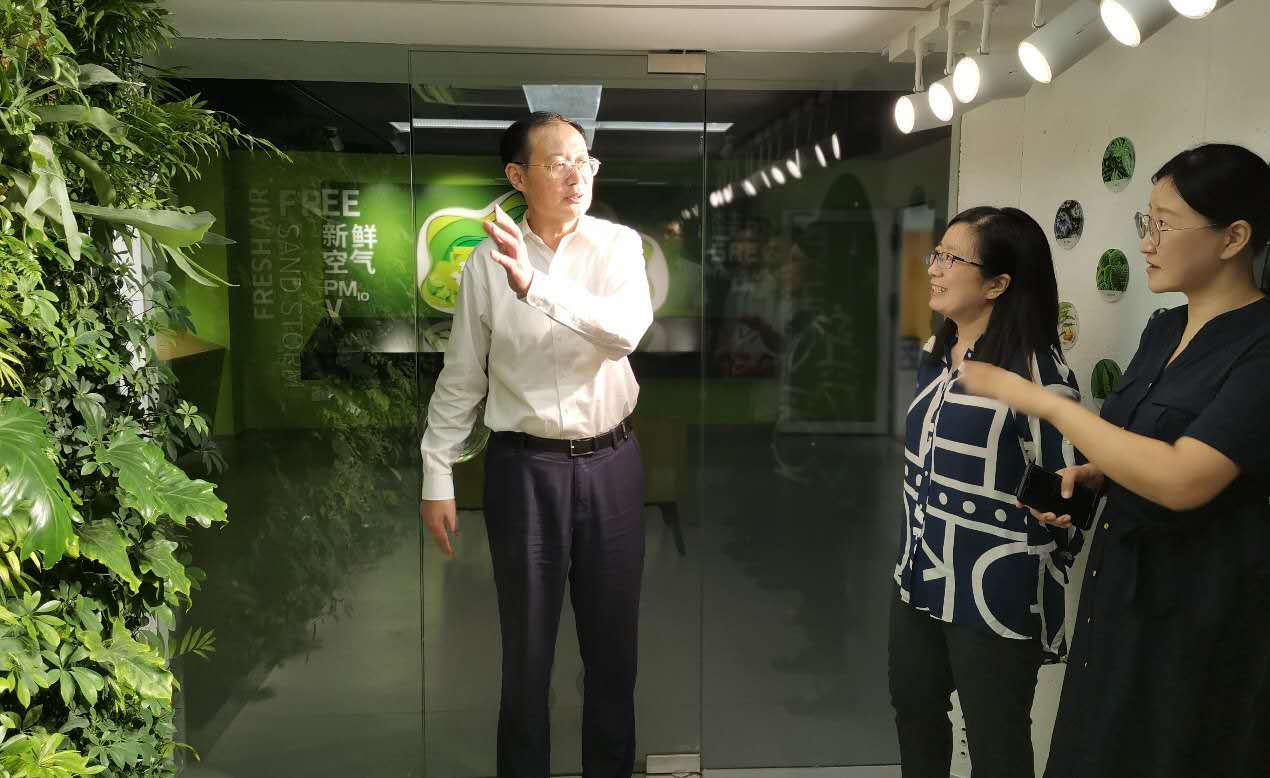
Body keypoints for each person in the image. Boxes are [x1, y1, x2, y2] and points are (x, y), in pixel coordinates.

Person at [958, 143, 1270, 777]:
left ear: (1234, 237)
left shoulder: (1260, 346)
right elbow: (1135, 444)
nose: (1147, 241)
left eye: (1164, 224)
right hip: (1118, 598)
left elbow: (1184, 478)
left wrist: (1036, 400)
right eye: (1144, 221)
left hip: (1202, 615)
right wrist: (1093, 477)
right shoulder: (1162, 329)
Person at [418, 112, 654, 778]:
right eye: (558, 163)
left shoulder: (616, 247)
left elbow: (624, 333)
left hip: (611, 464)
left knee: (613, 654)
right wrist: (437, 472)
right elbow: (463, 375)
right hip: (524, 470)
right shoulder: (485, 265)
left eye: (585, 161)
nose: (577, 175)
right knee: (525, 657)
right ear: (518, 177)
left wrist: (536, 287)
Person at [889, 207, 1084, 778]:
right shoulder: (938, 351)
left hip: (992, 587)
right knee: (915, 712)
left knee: (995, 743)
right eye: (937, 254)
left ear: (998, 284)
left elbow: (1070, 492)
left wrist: (1047, 534)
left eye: (952, 259)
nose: (934, 268)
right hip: (918, 571)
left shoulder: (1037, 373)